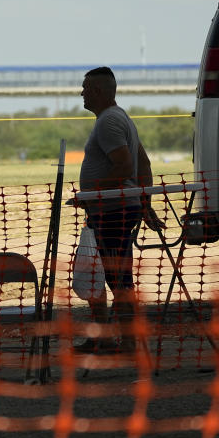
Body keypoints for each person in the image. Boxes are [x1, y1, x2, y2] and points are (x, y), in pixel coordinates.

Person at [76, 67, 163, 354]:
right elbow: (145, 165)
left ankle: (127, 342)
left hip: (112, 211)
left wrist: (91, 192)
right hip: (117, 209)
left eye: (86, 88)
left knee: (118, 279)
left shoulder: (109, 122)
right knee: (111, 276)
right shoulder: (120, 117)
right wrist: (145, 203)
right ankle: (111, 337)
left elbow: (125, 166)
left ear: (98, 91)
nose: (82, 93)